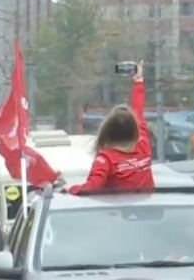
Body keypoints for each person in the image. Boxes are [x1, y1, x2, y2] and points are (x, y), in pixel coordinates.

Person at [66, 61, 154, 195]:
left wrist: (69, 189)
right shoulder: (143, 145)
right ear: (134, 129)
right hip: (148, 213)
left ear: (107, 131)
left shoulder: (106, 160)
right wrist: (138, 80)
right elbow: (139, 112)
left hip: (116, 215)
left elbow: (92, 187)